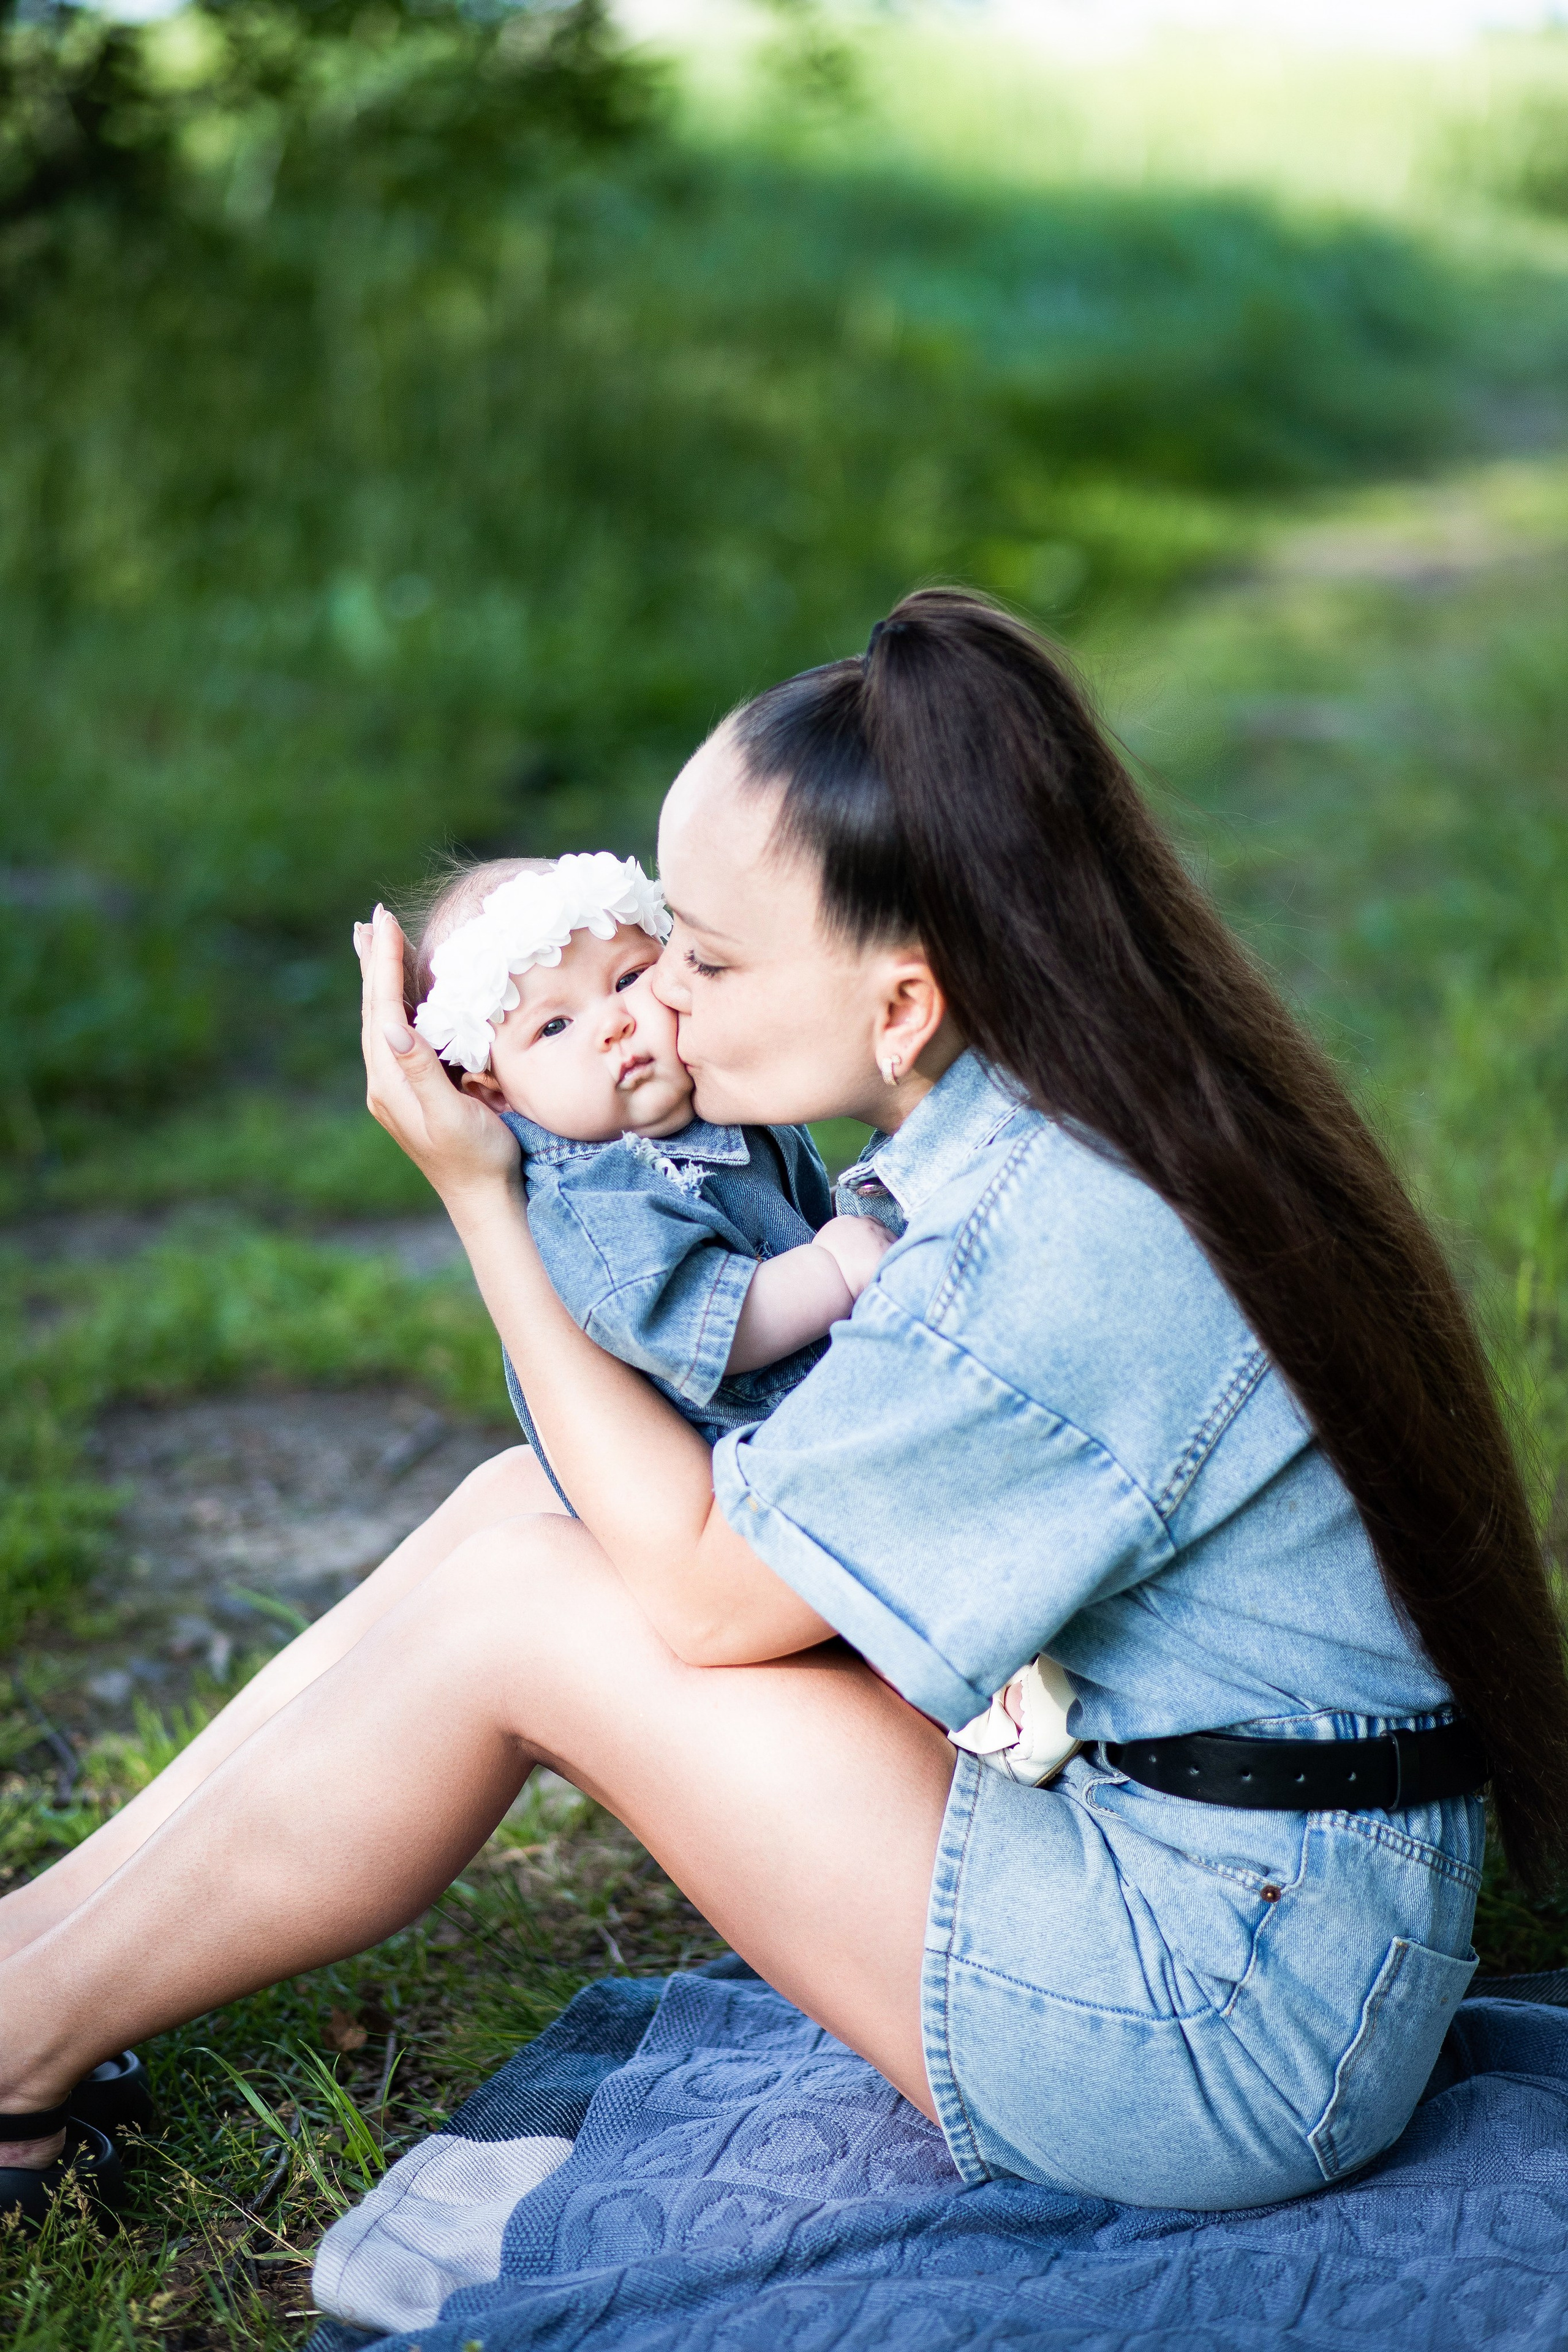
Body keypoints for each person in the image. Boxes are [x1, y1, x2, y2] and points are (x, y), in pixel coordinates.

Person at [2, 589, 1565, 2216]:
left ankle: (15, 2042)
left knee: (532, 1608)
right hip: (1248, 1884)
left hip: (1212, 2023)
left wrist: (485, 1203)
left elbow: (694, 1596)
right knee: (514, 1510)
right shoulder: (1063, 1102)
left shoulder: (1033, 1256)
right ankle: (33, 1955)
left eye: (707, 955)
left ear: (900, 1002)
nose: (655, 1000)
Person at [403, 849, 889, 1497]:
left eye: (628, 978)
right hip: (747, 1480)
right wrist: (830, 1271)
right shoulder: (593, 1198)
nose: (612, 1024)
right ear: (495, 1094)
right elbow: (689, 1324)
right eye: (554, 1025)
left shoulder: (722, 1103)